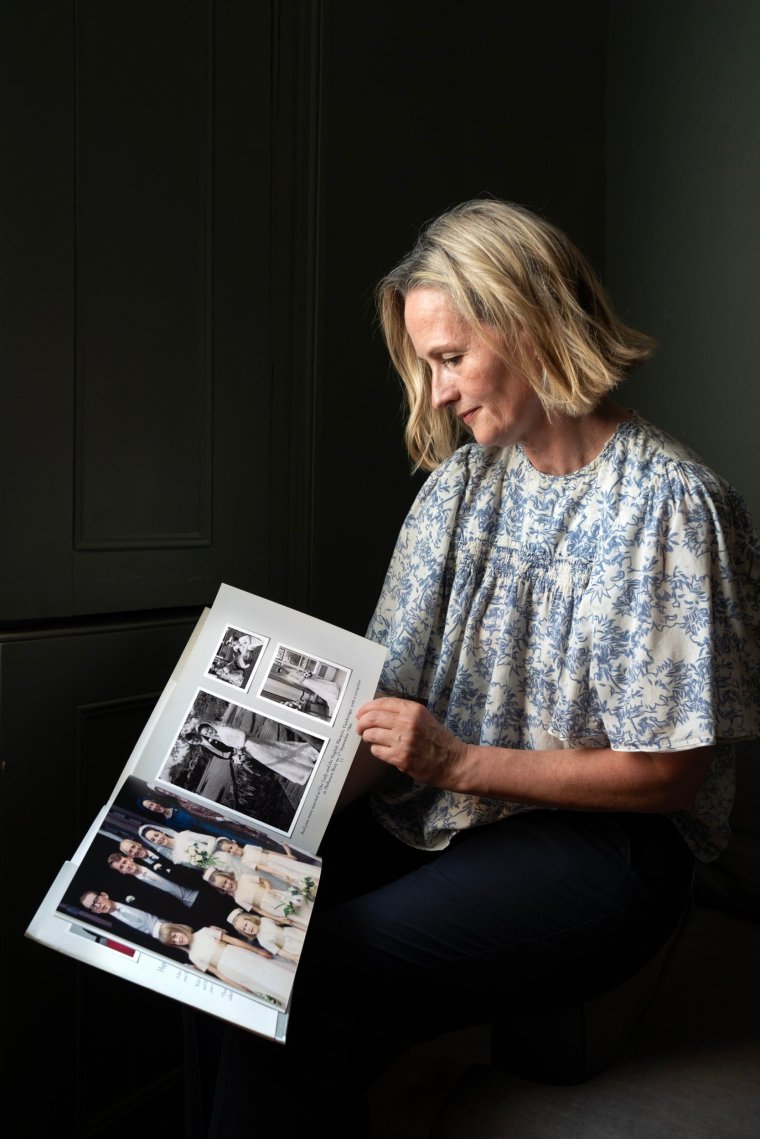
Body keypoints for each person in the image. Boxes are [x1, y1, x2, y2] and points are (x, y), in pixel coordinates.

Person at [186, 197, 760, 1138]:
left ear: (531, 321)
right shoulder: (457, 490)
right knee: (216, 935)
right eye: (428, 365)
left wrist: (458, 763)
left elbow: (670, 776)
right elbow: (390, 703)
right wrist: (256, 819)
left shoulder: (673, 509)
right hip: (434, 815)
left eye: (450, 358)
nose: (440, 391)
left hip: (599, 849)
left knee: (297, 967)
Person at [156, 921, 295, 1008]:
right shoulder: (192, 956)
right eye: (173, 942)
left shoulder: (204, 931)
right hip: (232, 972)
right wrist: (239, 987)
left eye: (174, 935)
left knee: (271, 970)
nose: (177, 940)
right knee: (261, 984)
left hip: (239, 955)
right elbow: (217, 972)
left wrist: (257, 950)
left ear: (177, 928)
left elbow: (234, 941)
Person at [190, 720, 319, 785]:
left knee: (276, 755)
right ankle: (301, 769)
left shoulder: (223, 730)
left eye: (208, 730)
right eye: (206, 734)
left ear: (210, 726)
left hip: (251, 745)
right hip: (250, 749)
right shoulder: (217, 735)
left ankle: (304, 766)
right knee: (274, 758)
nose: (209, 733)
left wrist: (239, 748)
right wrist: (237, 754)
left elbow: (241, 734)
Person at [203, 867, 313, 930]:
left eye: (226, 881)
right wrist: (276, 918)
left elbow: (264, 880)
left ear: (227, 876)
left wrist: (268, 889)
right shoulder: (238, 899)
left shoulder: (244, 878)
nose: (227, 886)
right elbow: (258, 910)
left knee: (300, 906)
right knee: (293, 917)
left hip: (275, 896)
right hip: (270, 908)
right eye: (223, 886)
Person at [107, 851, 200, 907]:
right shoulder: (138, 890)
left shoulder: (154, 862)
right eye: (121, 867)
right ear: (122, 872)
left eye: (125, 862)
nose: (126, 866)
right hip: (189, 909)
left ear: (130, 858)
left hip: (199, 892)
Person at [226, 906, 306, 964]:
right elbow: (279, 951)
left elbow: (278, 922)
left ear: (250, 919)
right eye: (244, 929)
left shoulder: (264, 920)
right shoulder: (262, 941)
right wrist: (293, 957)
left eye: (246, 924)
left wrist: (284, 920)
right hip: (289, 947)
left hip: (293, 934)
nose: (247, 929)